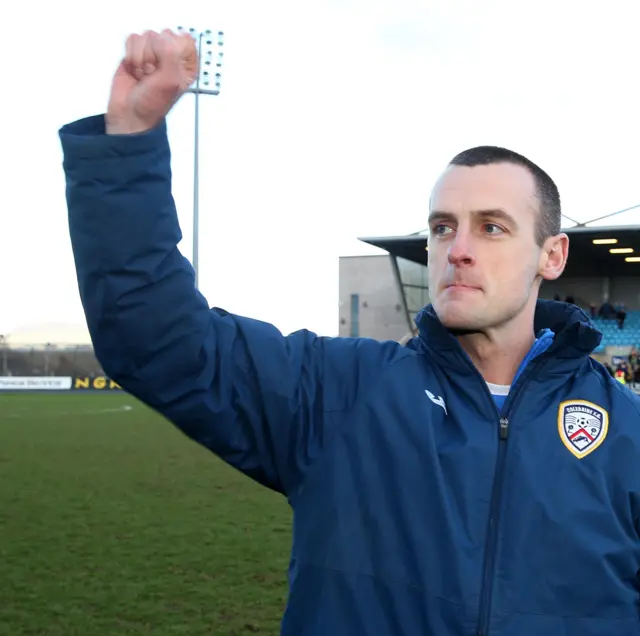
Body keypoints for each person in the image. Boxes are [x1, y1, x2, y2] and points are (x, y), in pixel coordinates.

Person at [58, 29, 640, 636]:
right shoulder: (338, 393)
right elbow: (157, 339)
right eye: (443, 228)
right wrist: (128, 145)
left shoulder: (626, 434)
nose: (457, 250)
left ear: (553, 255)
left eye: (492, 228)